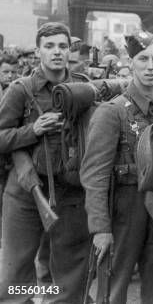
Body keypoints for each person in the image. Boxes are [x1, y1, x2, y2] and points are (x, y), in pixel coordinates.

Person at [80, 31, 153, 304]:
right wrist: (100, 228)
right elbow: (94, 176)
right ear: (130, 62)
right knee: (113, 285)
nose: (150, 66)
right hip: (123, 210)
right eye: (143, 59)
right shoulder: (113, 112)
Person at [0, 22, 90, 303]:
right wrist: (34, 130)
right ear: (38, 51)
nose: (57, 52)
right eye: (49, 46)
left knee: (72, 270)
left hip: (71, 192)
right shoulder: (20, 90)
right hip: (28, 191)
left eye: (63, 46)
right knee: (17, 272)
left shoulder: (83, 86)